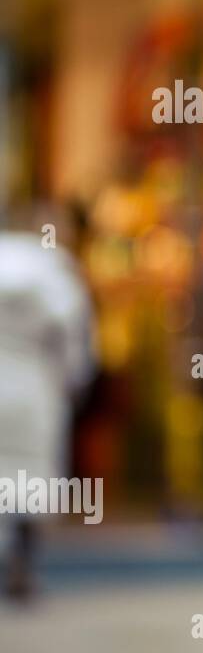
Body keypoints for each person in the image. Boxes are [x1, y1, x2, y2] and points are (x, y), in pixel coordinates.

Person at [0, 218, 96, 599]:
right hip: (34, 392)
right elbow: (76, 344)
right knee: (29, 482)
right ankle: (21, 569)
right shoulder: (53, 275)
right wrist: (75, 383)